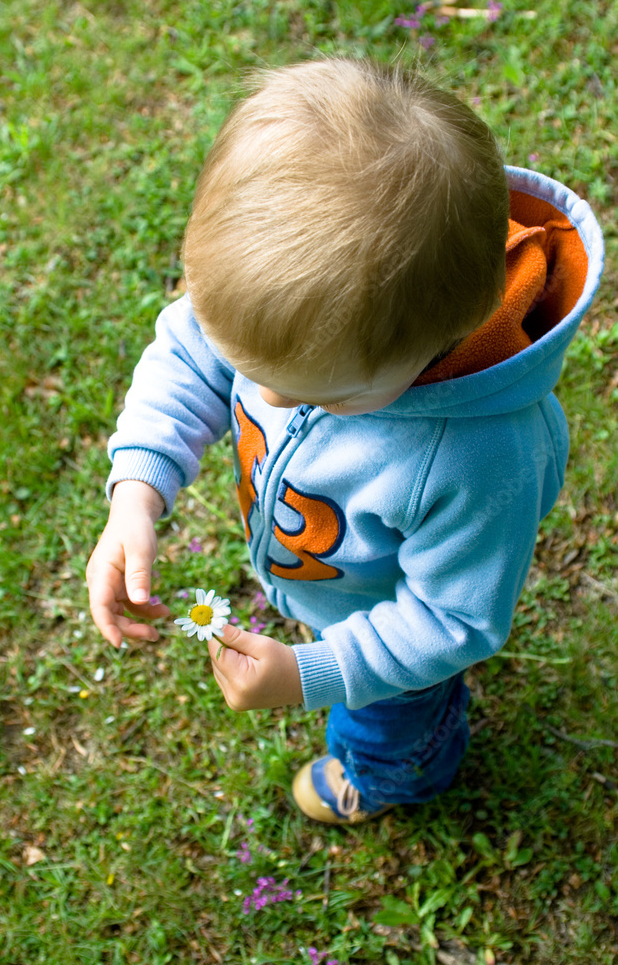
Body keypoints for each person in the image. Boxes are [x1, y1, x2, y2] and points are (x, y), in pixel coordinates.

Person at [86, 58, 604, 825]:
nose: (264, 400)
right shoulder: (289, 324)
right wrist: (136, 494)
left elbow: (450, 618)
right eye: (246, 369)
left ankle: (394, 774)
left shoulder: (475, 458)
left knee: (392, 717)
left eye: (320, 393)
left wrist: (313, 672)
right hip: (328, 581)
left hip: (391, 633)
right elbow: (185, 357)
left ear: (441, 336)